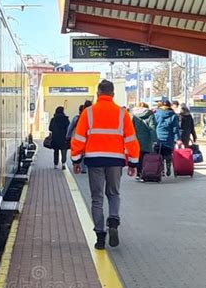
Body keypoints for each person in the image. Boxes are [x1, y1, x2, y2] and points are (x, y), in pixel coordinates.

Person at [71, 79, 139, 250]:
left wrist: (76, 160)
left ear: (98, 94)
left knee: (97, 198)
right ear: (113, 94)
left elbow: (79, 138)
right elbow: (131, 140)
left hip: (94, 160)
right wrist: (133, 163)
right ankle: (114, 221)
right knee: (114, 193)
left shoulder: (89, 112)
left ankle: (100, 236)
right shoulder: (122, 114)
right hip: (116, 160)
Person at [155, 98, 181, 176]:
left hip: (158, 137)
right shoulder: (173, 115)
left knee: (160, 154)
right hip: (169, 137)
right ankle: (168, 166)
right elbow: (175, 128)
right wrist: (177, 139)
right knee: (168, 153)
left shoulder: (156, 114)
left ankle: (162, 169)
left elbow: (153, 126)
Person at [132, 102, 157, 180]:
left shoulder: (134, 116)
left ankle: (138, 174)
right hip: (147, 139)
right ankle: (144, 173)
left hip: (136, 139)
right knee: (145, 157)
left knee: (138, 157)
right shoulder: (150, 115)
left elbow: (131, 128)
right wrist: (154, 140)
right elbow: (152, 128)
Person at [66, 100, 92, 173]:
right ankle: (84, 167)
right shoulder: (94, 116)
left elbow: (70, 128)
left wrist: (67, 136)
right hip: (89, 138)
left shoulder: (77, 118)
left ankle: (77, 163)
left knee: (78, 152)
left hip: (77, 137)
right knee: (85, 153)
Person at [48, 106, 70, 170]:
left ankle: (55, 164)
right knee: (64, 151)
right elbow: (68, 128)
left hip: (55, 138)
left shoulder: (53, 119)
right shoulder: (65, 119)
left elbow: (50, 128)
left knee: (56, 151)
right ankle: (63, 163)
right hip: (64, 138)